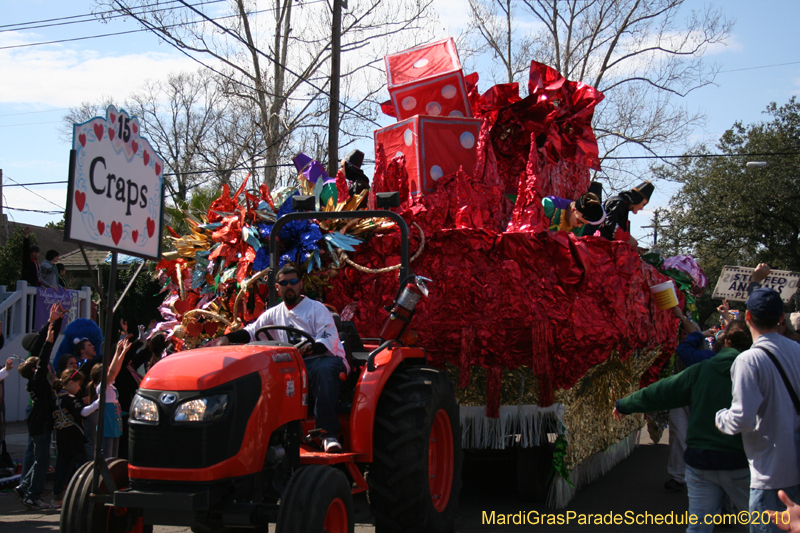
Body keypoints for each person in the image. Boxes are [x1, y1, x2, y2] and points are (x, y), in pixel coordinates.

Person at [614, 319, 753, 531]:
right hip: (740, 460)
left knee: (698, 526)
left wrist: (625, 404)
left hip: (702, 461)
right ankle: (727, 512)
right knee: (763, 524)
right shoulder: (758, 371)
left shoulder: (702, 368)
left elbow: (661, 391)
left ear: (722, 344)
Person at [208, 264, 347, 452]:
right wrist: (227, 338)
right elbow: (252, 331)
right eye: (284, 283)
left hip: (321, 359)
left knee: (323, 370)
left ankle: (327, 434)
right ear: (277, 287)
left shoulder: (317, 309)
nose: (289, 286)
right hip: (293, 363)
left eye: (293, 282)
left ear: (301, 285)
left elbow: (328, 338)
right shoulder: (273, 313)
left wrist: (311, 347)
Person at [716, 288, 800, 533]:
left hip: (771, 474)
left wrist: (721, 418)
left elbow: (741, 418)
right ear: (781, 317)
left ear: (748, 316)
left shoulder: (748, 360)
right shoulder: (797, 350)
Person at [14, 303, 65, 510]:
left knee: (38, 458)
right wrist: (51, 326)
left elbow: (43, 357)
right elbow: (43, 356)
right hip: (39, 423)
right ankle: (33, 495)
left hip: (38, 421)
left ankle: (25, 485)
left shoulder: (35, 380)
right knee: (41, 460)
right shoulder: (36, 377)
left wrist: (56, 321)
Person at [50, 369, 90, 509]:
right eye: (79, 384)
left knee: (61, 468)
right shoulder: (70, 398)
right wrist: (95, 404)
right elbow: (81, 412)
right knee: (84, 466)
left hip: (61, 437)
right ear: (71, 382)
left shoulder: (56, 398)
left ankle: (56, 498)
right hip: (74, 437)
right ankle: (87, 494)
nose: (80, 388)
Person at [599, 180, 654, 247]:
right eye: (643, 204)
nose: (641, 208)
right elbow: (609, 225)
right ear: (638, 199)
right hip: (600, 245)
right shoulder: (619, 203)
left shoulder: (622, 205)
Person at [541, 192, 606, 236]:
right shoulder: (549, 206)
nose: (580, 226)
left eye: (583, 224)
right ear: (573, 209)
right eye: (579, 221)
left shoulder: (579, 226)